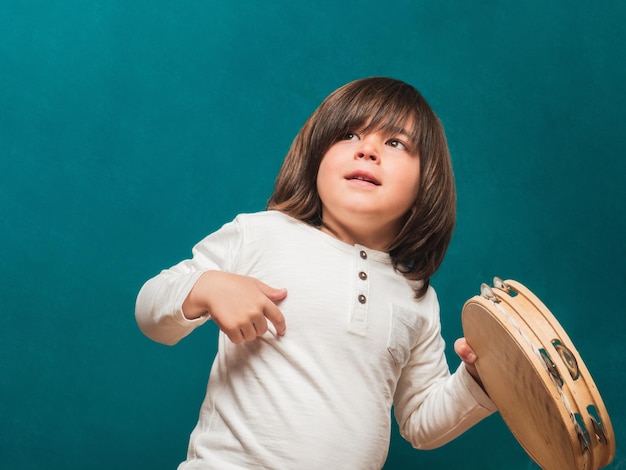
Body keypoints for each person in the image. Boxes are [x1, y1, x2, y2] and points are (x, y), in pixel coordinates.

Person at [135, 77, 496, 469]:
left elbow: (421, 422)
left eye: (396, 143)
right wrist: (206, 286)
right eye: (349, 134)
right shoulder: (262, 233)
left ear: (426, 184)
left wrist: (480, 379)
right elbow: (151, 310)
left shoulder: (417, 297)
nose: (368, 150)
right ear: (315, 159)